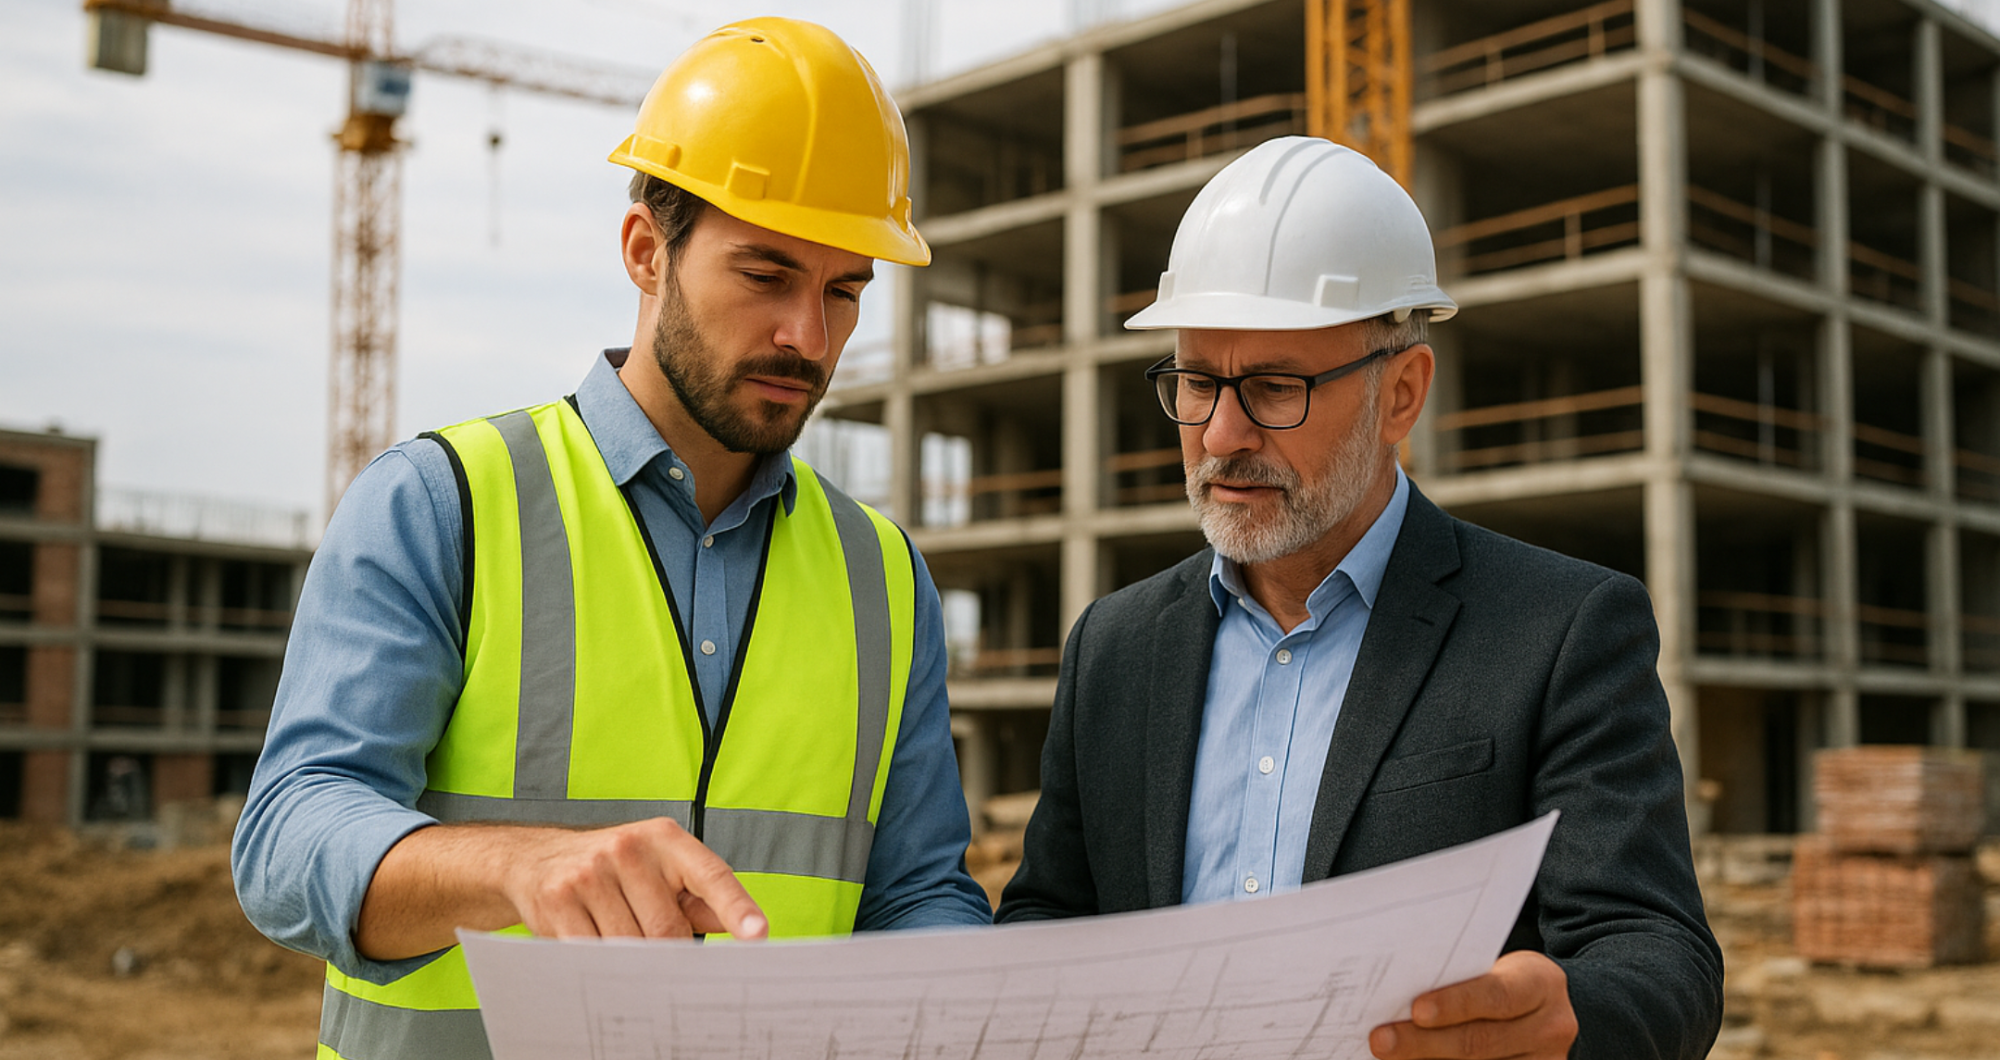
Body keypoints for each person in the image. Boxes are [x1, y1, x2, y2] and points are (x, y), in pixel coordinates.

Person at [232, 18, 990, 1060]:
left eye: (843, 291)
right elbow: (286, 840)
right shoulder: (443, 504)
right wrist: (513, 868)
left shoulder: (883, 576)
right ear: (646, 250)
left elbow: (914, 890)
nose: (808, 339)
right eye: (766, 275)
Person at [995, 136, 1722, 1060]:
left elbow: (1658, 954)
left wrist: (1572, 1014)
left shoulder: (1562, 631)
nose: (1221, 435)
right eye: (1193, 384)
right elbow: (1052, 916)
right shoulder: (1115, 645)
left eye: (1273, 387)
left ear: (1402, 393)